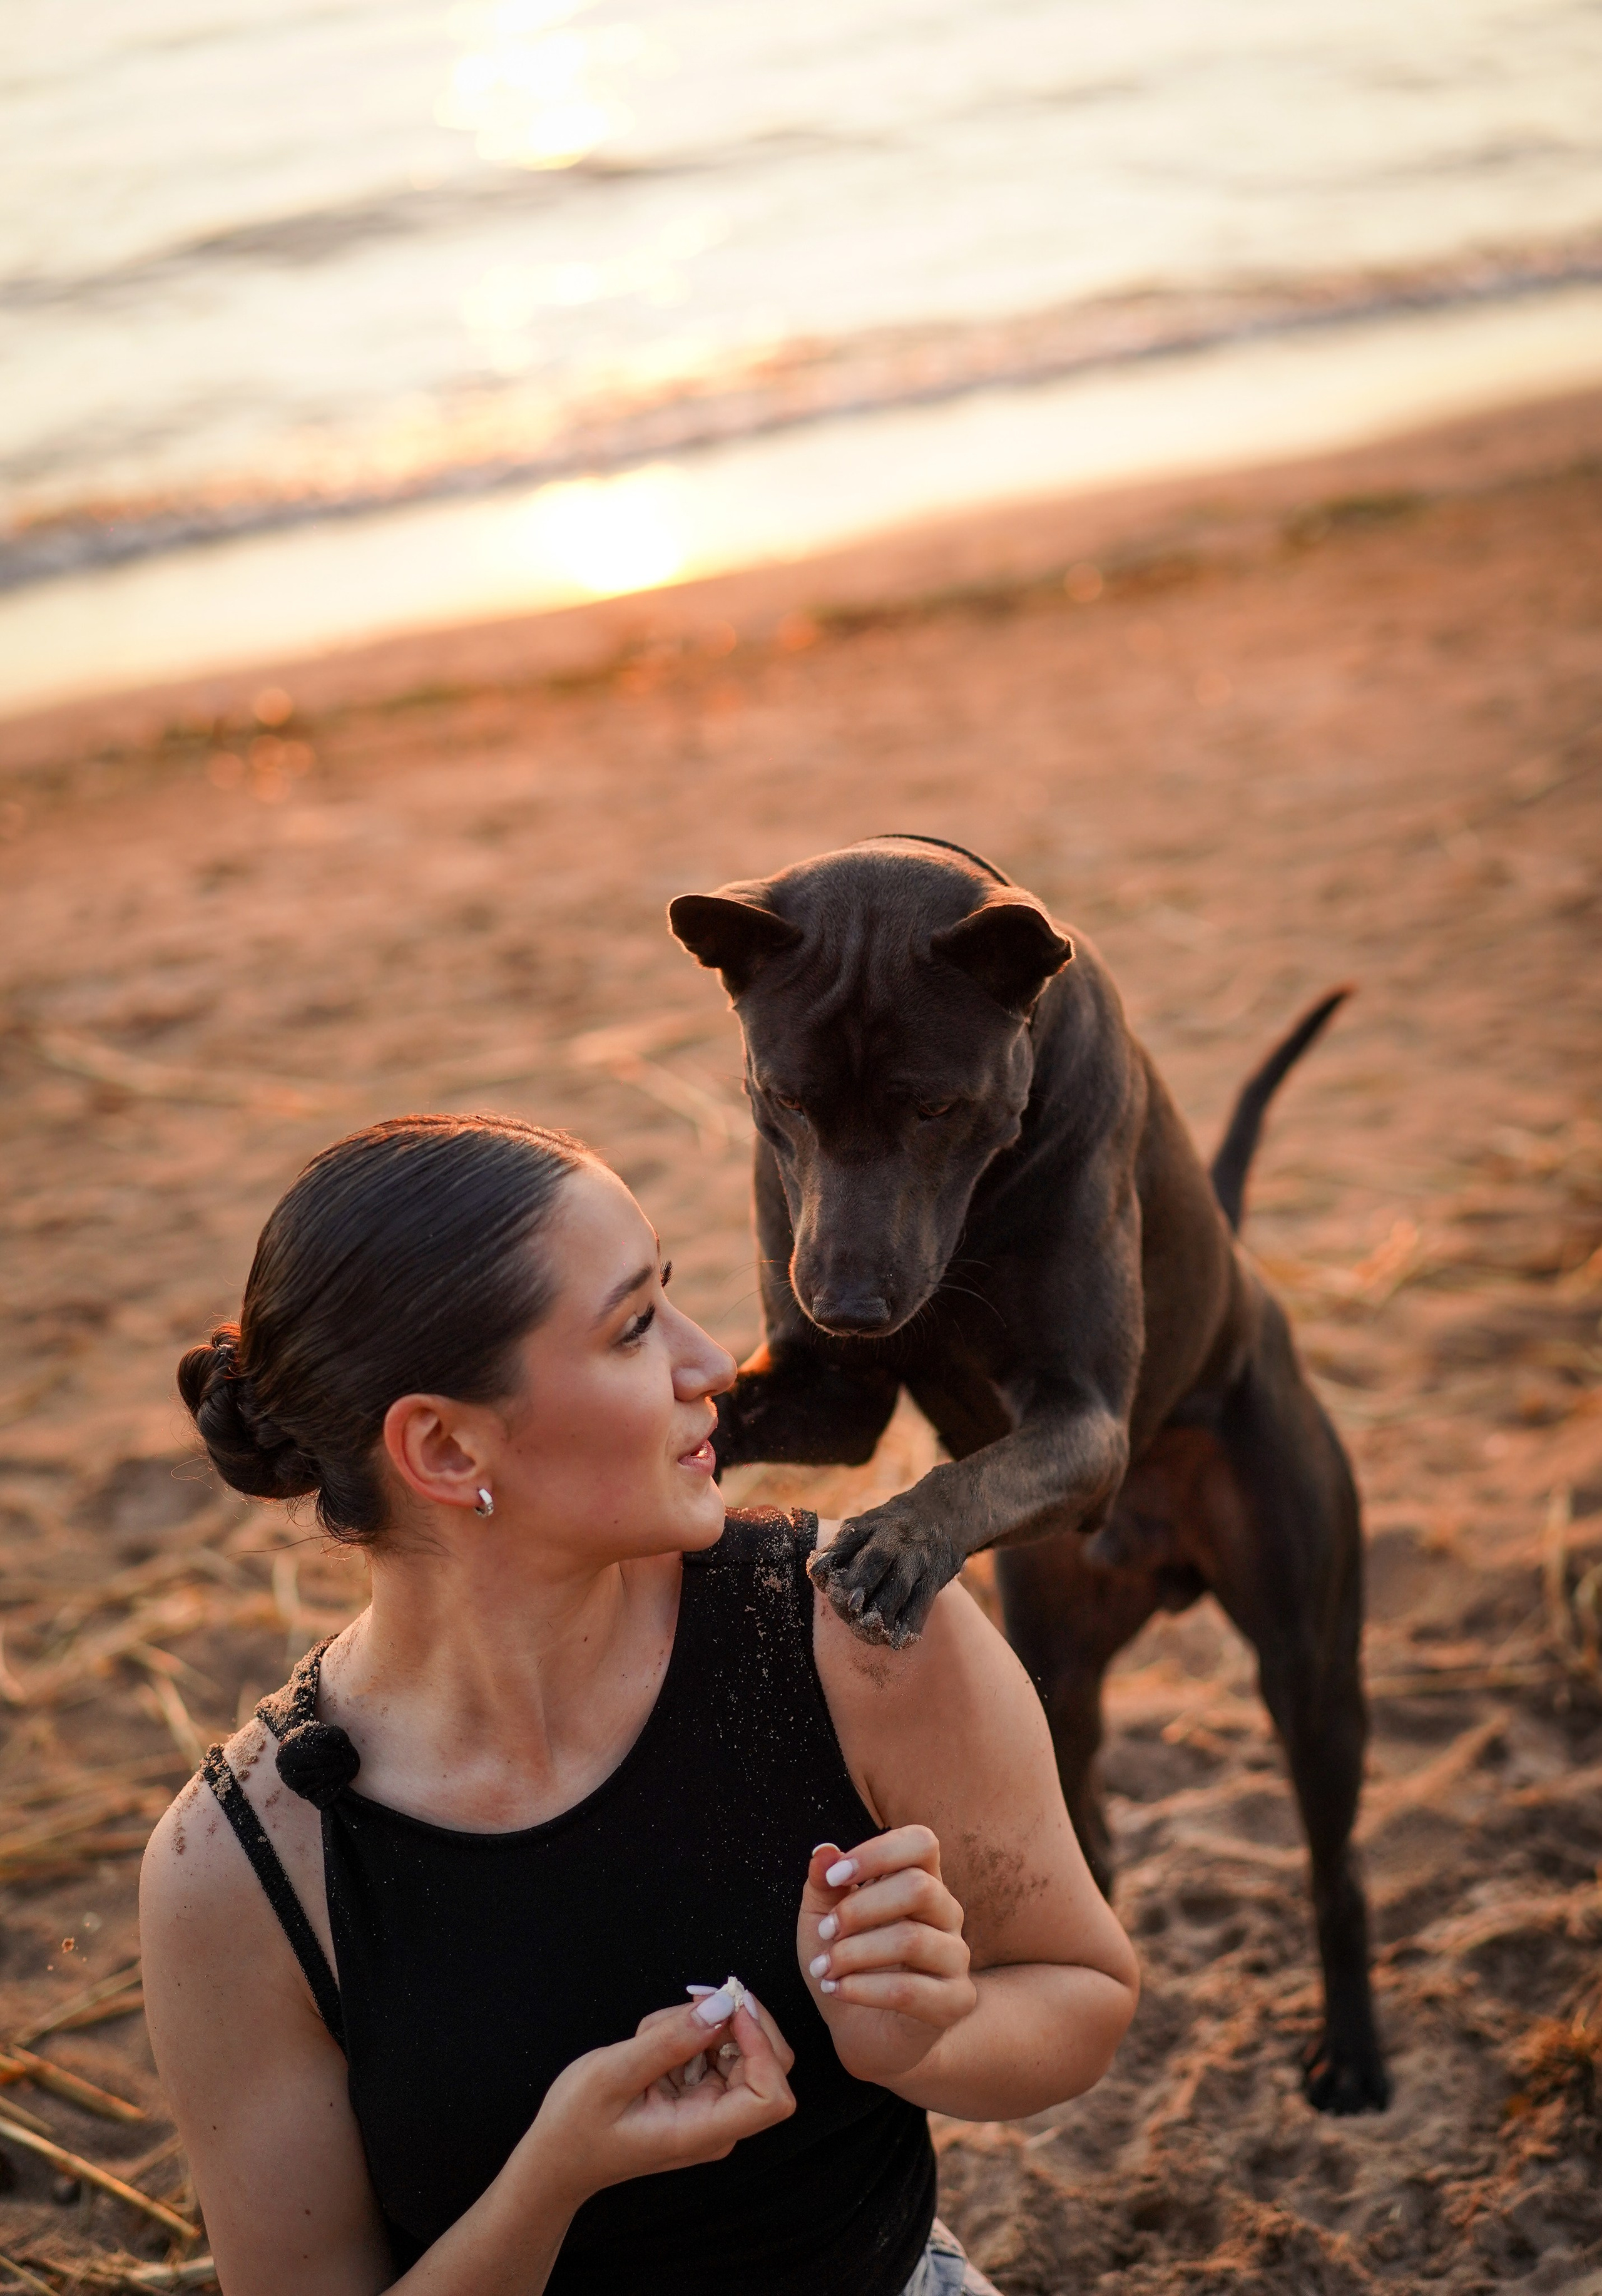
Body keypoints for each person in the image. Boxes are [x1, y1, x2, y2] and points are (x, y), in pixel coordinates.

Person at [142, 1114, 1138, 2296]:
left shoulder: (859, 1637)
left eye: (672, 1295)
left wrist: (928, 2041)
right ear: (449, 1451)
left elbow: (1083, 1990)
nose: (713, 1362)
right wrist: (554, 2180)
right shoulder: (242, 1869)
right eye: (632, 1329)